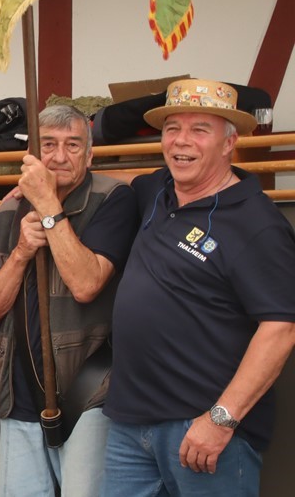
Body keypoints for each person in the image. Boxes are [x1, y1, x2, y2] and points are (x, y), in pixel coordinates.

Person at [102, 78, 295, 496]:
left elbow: (280, 329)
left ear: (229, 143)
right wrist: (52, 181)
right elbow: (125, 177)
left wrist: (221, 419)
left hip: (203, 431)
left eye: (199, 130)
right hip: (129, 425)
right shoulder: (159, 191)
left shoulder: (257, 224)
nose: (181, 141)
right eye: (172, 128)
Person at [0, 105, 138, 496]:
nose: (60, 156)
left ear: (90, 154)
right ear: (31, 155)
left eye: (73, 145)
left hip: (88, 392)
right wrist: (21, 253)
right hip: (17, 393)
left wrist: (49, 207)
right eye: (48, 145)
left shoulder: (112, 199)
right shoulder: (9, 209)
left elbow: (86, 284)